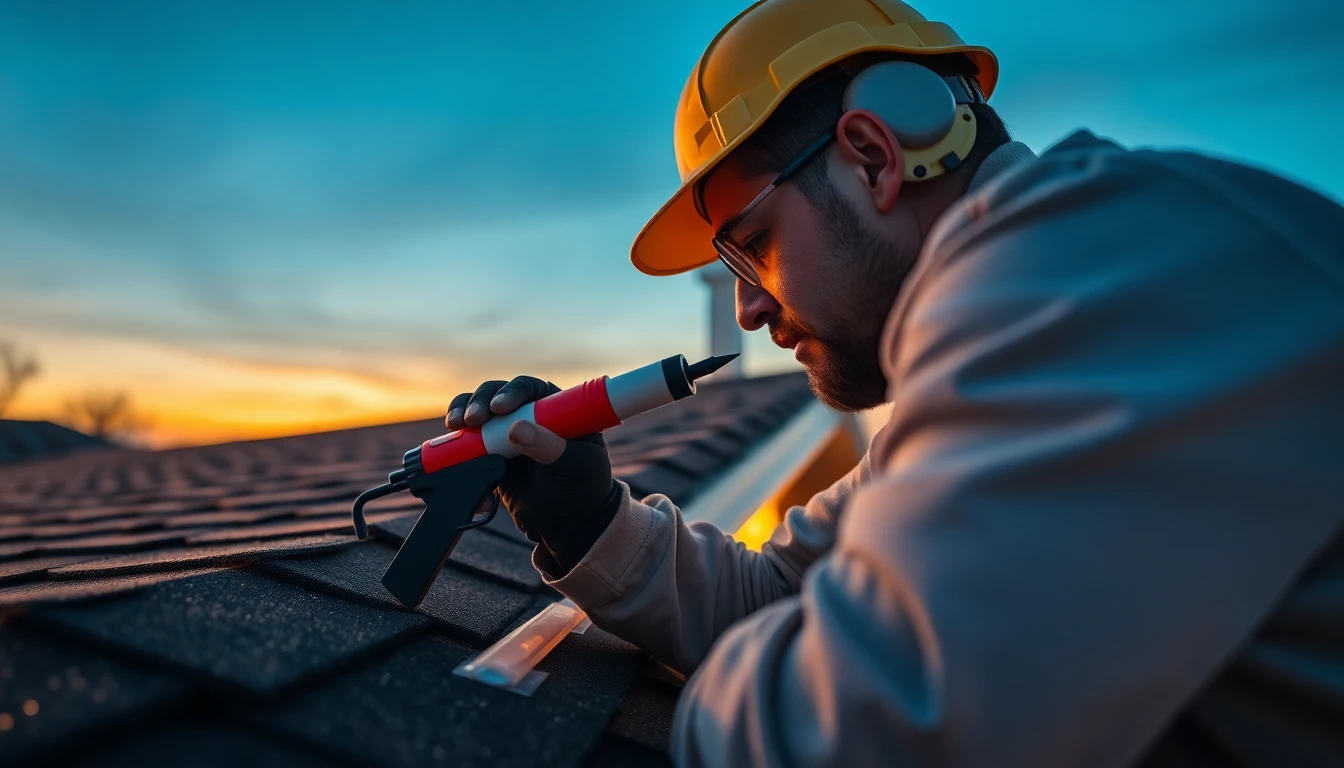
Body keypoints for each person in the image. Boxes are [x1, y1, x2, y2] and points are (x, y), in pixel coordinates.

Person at [445, 0, 1344, 764]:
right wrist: (592, 523)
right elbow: (779, 598)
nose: (749, 309)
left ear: (875, 157)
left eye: (751, 245)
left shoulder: (1102, 281)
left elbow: (850, 733)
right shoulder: (1037, 320)